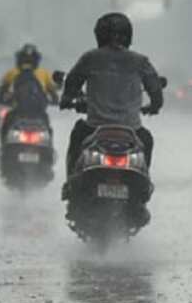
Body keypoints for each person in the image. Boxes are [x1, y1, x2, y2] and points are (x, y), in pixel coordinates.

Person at [60, 13, 163, 193]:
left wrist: (67, 99)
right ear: (128, 35)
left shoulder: (90, 58)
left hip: (94, 128)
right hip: (132, 130)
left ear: (99, 34)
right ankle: (143, 189)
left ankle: (70, 186)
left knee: (77, 136)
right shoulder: (140, 61)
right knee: (147, 140)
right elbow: (155, 90)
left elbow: (71, 83)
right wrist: (154, 106)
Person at [0, 44, 58, 139]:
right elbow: (53, 92)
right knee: (47, 129)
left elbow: (2, 91)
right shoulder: (44, 73)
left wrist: (2, 100)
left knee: (6, 124)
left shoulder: (12, 73)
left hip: (18, 111)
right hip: (39, 112)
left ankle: (4, 148)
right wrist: (54, 100)